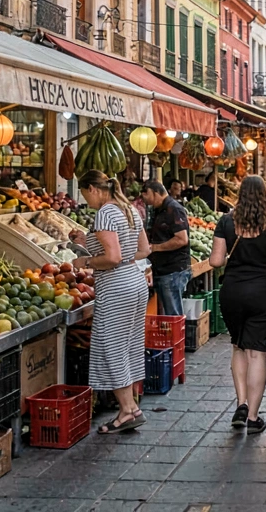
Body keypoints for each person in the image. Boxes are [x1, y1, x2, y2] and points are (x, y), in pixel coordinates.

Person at [68, 170, 151, 434]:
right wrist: (90, 243)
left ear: (93, 189)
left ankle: (128, 410)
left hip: (116, 287)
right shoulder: (128, 209)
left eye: (84, 194)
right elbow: (144, 249)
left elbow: (112, 257)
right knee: (127, 345)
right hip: (134, 280)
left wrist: (85, 262)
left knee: (110, 346)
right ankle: (131, 407)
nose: (86, 200)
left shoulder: (104, 213)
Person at [210, 175, 266, 435]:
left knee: (238, 346)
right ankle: (253, 416)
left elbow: (216, 261)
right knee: (258, 354)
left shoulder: (225, 222)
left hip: (232, 292)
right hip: (262, 293)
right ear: (264, 196)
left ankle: (240, 403)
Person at [140, 181, 191, 317]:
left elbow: (181, 239)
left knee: (172, 315)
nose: (145, 198)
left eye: (147, 194)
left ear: (156, 193)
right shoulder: (158, 210)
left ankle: (177, 339)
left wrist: (156, 247)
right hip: (162, 270)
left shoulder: (174, 209)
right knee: (167, 316)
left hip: (173, 271)